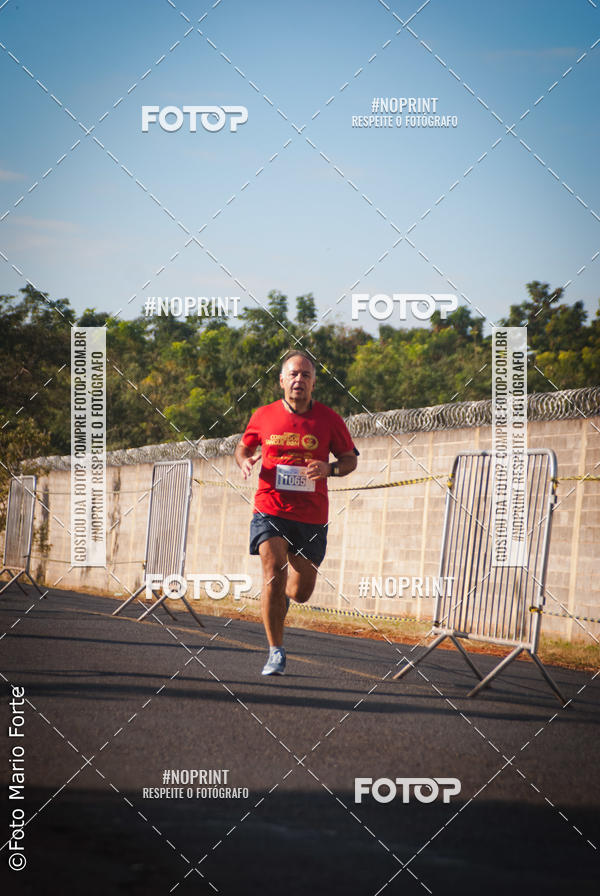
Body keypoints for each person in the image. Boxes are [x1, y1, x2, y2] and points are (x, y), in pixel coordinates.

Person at [234, 349, 359, 676]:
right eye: (293, 374)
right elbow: (244, 447)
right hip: (270, 506)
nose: (299, 380)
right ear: (281, 380)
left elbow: (350, 460)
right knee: (273, 570)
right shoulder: (263, 415)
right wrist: (245, 460)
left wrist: (329, 469)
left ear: (314, 382)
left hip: (311, 516)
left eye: (305, 375)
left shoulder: (329, 419)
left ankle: (283, 598)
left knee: (301, 592)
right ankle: (275, 651)